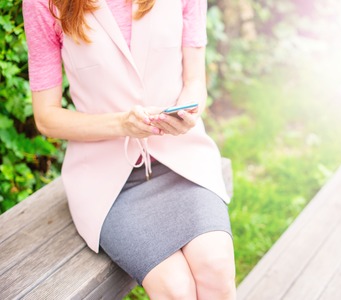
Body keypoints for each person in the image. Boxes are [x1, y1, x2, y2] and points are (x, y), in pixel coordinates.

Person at [23, 0, 236, 298]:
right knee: (175, 289)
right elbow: (46, 117)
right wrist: (121, 124)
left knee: (216, 267)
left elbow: (195, 81)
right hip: (108, 182)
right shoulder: (41, 3)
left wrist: (188, 114)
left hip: (183, 160)